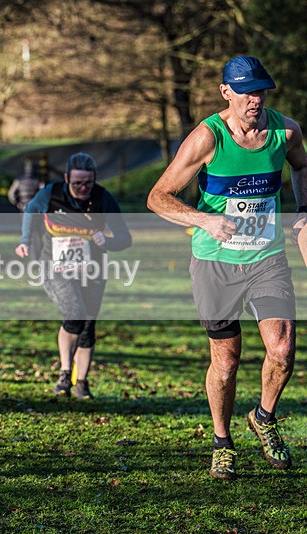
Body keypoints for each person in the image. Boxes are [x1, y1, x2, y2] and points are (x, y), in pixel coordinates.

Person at [147, 56, 307, 481]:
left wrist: (304, 211)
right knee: (227, 359)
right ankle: (222, 442)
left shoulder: (284, 131)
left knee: (283, 349)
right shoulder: (207, 138)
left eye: (261, 91)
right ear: (226, 92)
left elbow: (302, 167)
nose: (255, 99)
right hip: (215, 263)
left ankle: (265, 416)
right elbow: (158, 196)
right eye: (246, 91)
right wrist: (204, 219)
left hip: (267, 258)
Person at [15, 152, 131, 400]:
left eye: (88, 182)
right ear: (67, 178)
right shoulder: (50, 194)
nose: (82, 188)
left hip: (92, 269)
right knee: (75, 313)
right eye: (77, 182)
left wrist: (108, 241)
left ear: (95, 179)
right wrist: (25, 241)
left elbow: (125, 238)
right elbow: (30, 212)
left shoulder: (103, 199)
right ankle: (65, 374)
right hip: (55, 267)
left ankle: (81, 382)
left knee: (88, 325)